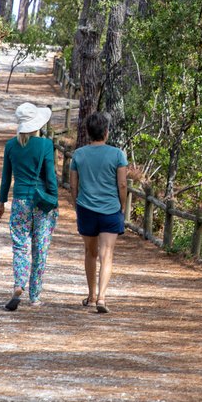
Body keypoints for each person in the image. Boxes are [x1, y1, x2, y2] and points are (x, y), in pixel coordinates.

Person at [0, 102, 59, 310]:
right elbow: (51, 177)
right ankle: (35, 296)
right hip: (42, 203)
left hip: (20, 201)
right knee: (40, 247)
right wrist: (54, 201)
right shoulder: (45, 145)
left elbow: (5, 179)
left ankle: (19, 284)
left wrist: (1, 203)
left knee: (20, 245)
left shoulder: (10, 146)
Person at [70, 113, 127, 314]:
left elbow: (73, 184)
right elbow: (122, 184)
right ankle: (102, 296)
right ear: (106, 132)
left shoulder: (79, 154)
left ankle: (91, 296)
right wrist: (122, 205)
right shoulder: (118, 154)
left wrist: (76, 204)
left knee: (90, 253)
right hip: (111, 210)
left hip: (86, 208)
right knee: (106, 255)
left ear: (87, 132)